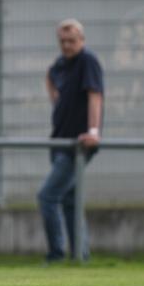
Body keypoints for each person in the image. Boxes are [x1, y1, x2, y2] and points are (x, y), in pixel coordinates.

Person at [39, 19, 104, 262]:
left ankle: (56, 254)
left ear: (82, 40)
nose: (66, 45)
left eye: (72, 41)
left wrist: (93, 130)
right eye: (62, 41)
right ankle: (81, 255)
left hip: (78, 144)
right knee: (70, 200)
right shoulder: (59, 66)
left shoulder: (88, 61)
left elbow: (95, 96)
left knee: (47, 196)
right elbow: (51, 81)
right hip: (59, 141)